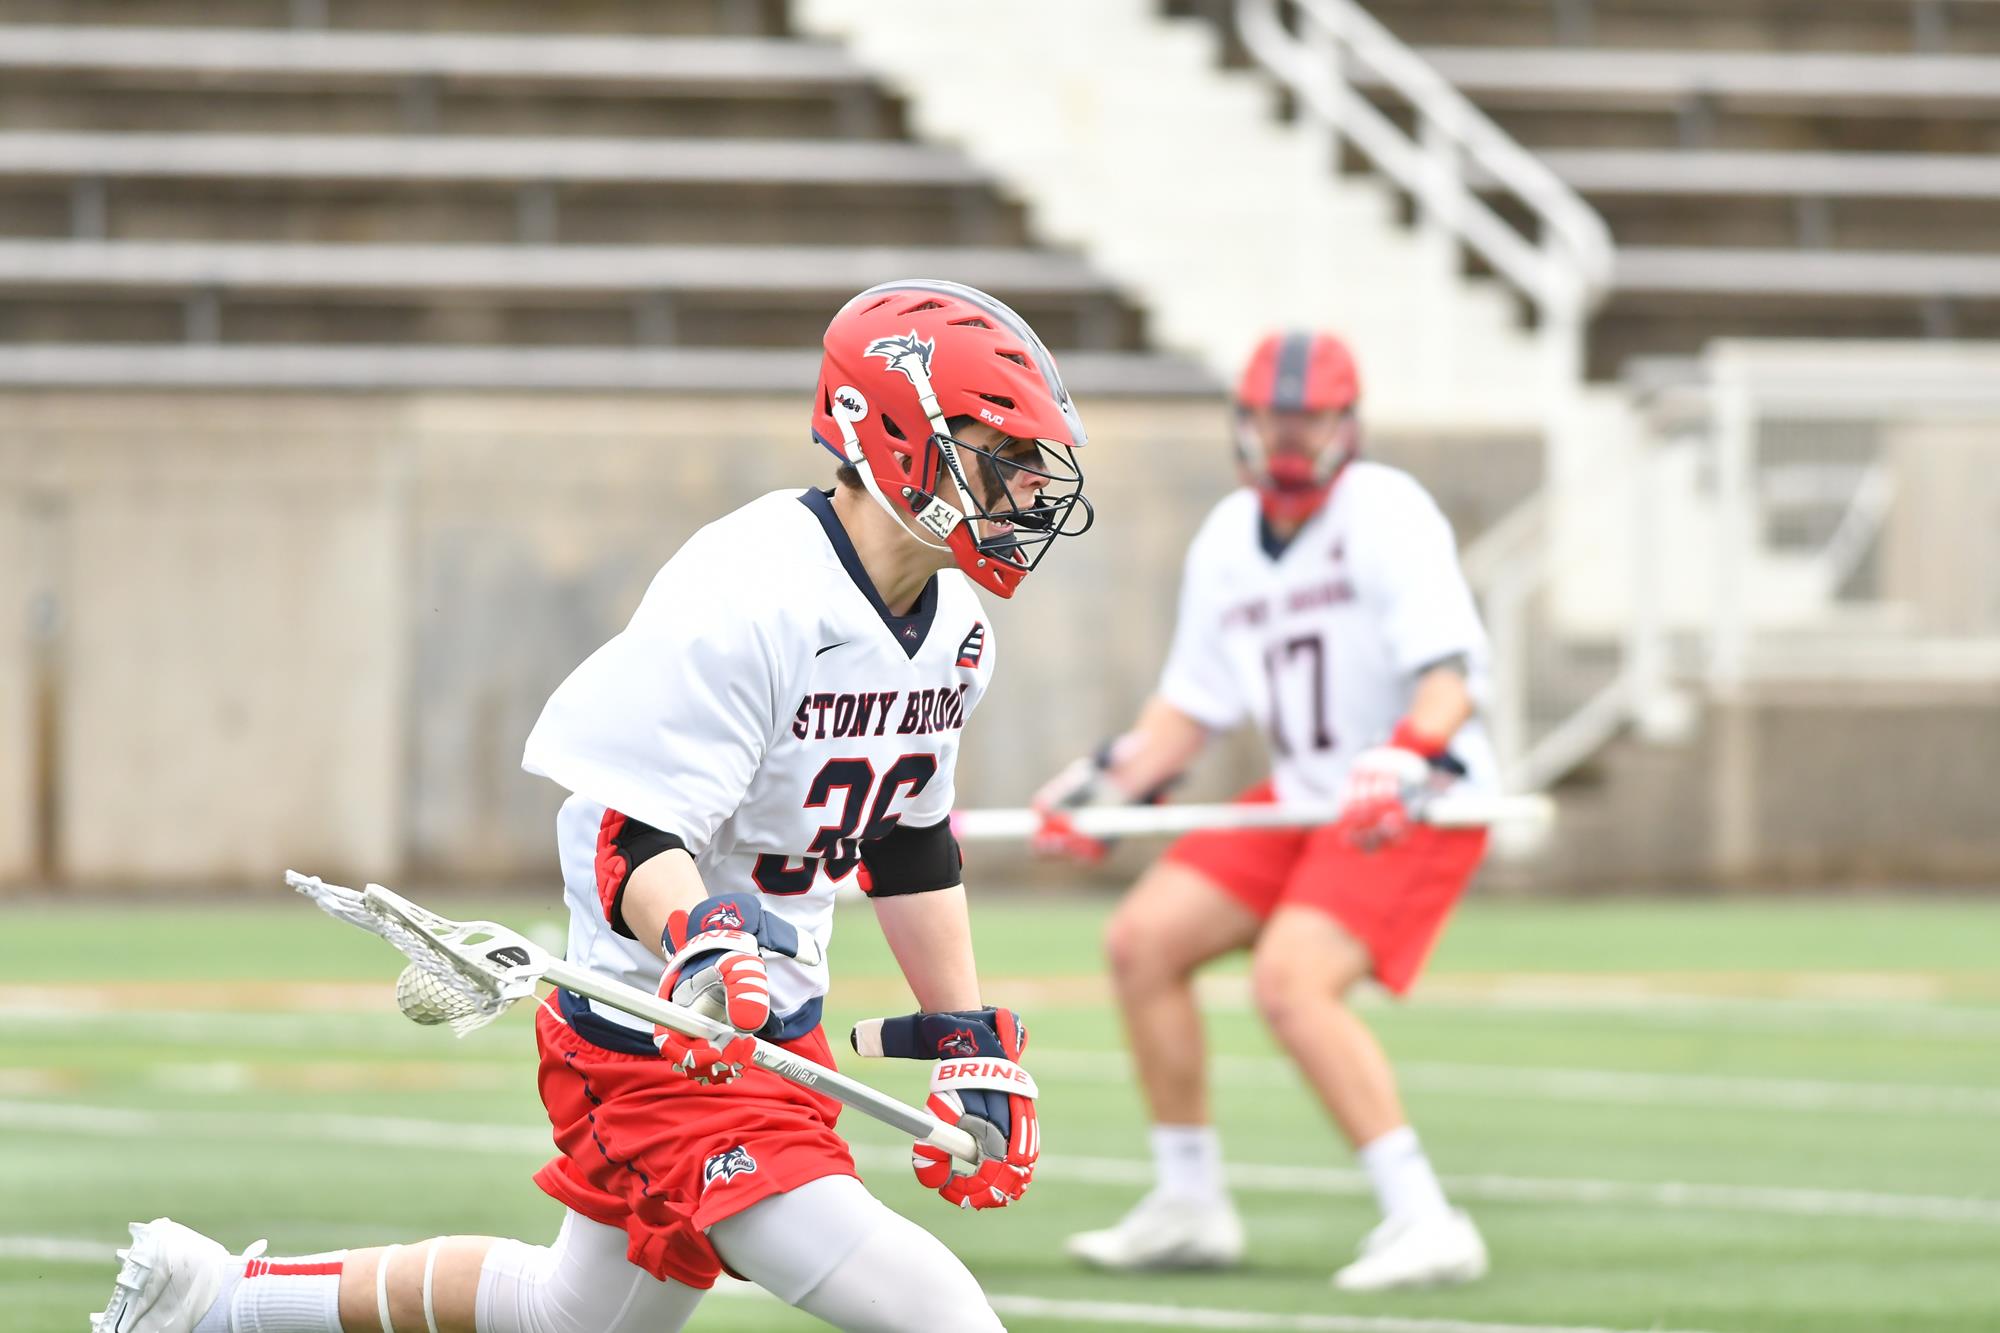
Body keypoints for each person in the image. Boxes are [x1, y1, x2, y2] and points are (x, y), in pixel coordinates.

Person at [93, 279, 1093, 1333]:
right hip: (656, 1027)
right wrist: (698, 939)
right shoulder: (754, 588)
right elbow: (628, 829)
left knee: (572, 1313)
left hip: (771, 1020)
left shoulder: (955, 626)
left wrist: (962, 1029)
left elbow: (903, 833)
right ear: (890, 435)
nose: (1026, 489)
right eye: (1000, 451)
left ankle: (215, 1305)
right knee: (940, 1314)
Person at [1037, 330, 1494, 1292]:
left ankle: (1426, 1217)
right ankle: (1190, 1200)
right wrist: (1102, 788)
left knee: (1291, 979)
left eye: (1307, 421)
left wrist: (1401, 755)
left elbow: (1450, 680)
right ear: (1242, 423)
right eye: (1271, 421)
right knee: (1143, 941)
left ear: (1344, 425)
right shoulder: (1225, 540)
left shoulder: (1387, 512)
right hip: (1302, 793)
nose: (1287, 442)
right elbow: (1187, 713)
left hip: (1413, 797)